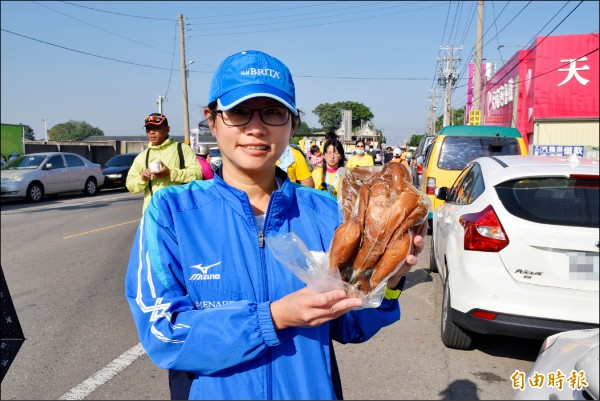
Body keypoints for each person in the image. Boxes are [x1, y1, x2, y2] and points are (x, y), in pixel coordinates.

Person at [124, 49, 425, 400]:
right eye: (238, 112)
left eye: (272, 112)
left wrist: (391, 279)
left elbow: (351, 324)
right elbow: (164, 334)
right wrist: (274, 317)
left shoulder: (329, 213)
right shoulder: (172, 212)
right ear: (212, 119)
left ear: (292, 123)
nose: (255, 128)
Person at [125, 113, 202, 212]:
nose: (152, 132)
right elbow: (130, 185)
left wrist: (170, 173)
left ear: (167, 129)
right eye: (148, 128)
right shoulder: (142, 156)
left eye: (156, 128)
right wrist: (142, 178)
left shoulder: (182, 149)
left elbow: (197, 174)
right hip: (153, 214)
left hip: (180, 211)